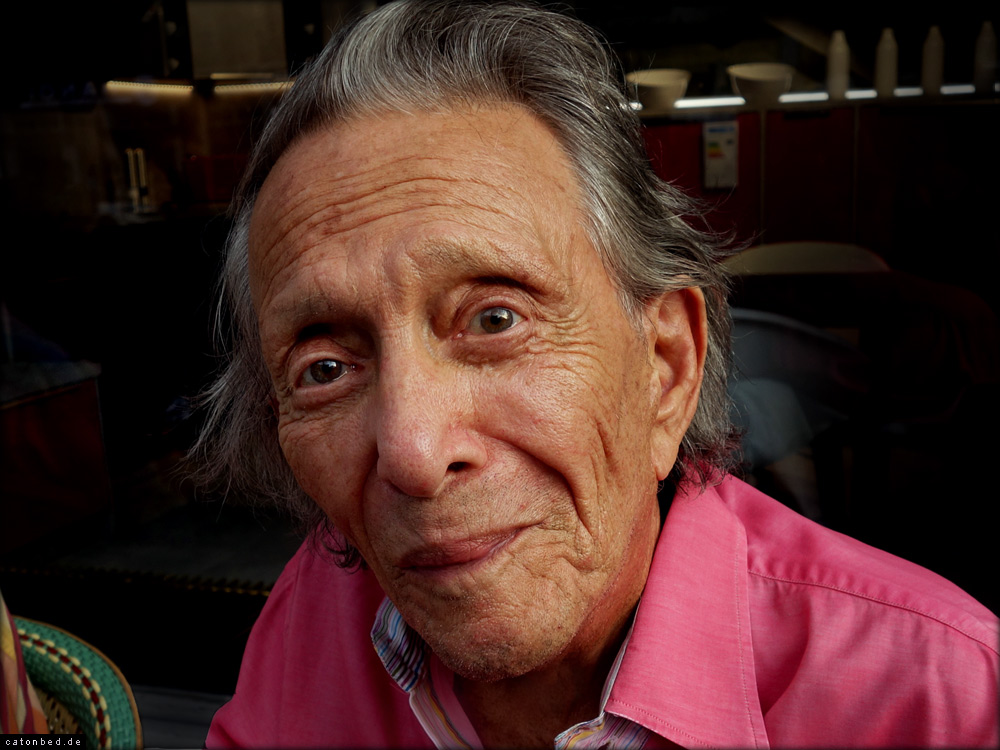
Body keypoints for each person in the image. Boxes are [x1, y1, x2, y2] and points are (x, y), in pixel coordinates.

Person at [193, 0, 999, 746]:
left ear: (665, 368)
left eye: (495, 319)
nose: (412, 453)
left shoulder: (943, 700)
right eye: (325, 369)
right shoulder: (316, 615)